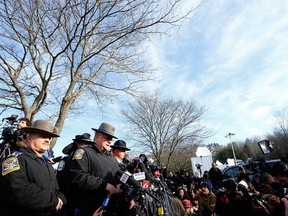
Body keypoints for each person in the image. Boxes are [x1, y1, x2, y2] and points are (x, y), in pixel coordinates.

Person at [0, 119, 66, 216]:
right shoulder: (15, 160)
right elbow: (19, 191)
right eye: (43, 136)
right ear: (29, 138)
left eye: (49, 137)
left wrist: (61, 198)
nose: (47, 140)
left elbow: (54, 189)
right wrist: (53, 200)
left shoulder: (47, 164)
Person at [69, 122, 122, 216]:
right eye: (107, 138)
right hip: (90, 207)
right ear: (97, 137)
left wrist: (118, 184)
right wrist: (104, 185)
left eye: (111, 139)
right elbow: (78, 176)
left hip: (110, 207)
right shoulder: (84, 153)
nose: (110, 141)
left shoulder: (111, 158)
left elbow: (116, 174)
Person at [56, 133, 95, 216]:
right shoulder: (67, 159)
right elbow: (60, 179)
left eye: (89, 144)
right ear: (77, 144)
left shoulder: (91, 162)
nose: (86, 147)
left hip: (82, 200)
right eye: (83, 143)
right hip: (66, 197)